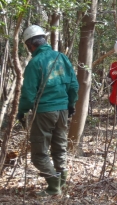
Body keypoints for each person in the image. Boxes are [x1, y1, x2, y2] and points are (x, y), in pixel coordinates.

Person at [17, 25, 79, 196]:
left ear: (30, 44)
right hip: (63, 109)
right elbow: (74, 85)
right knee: (59, 148)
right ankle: (62, 183)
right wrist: (71, 104)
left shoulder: (35, 63)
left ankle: (54, 187)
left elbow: (28, 94)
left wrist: (22, 112)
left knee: (38, 154)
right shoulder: (62, 57)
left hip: (44, 111)